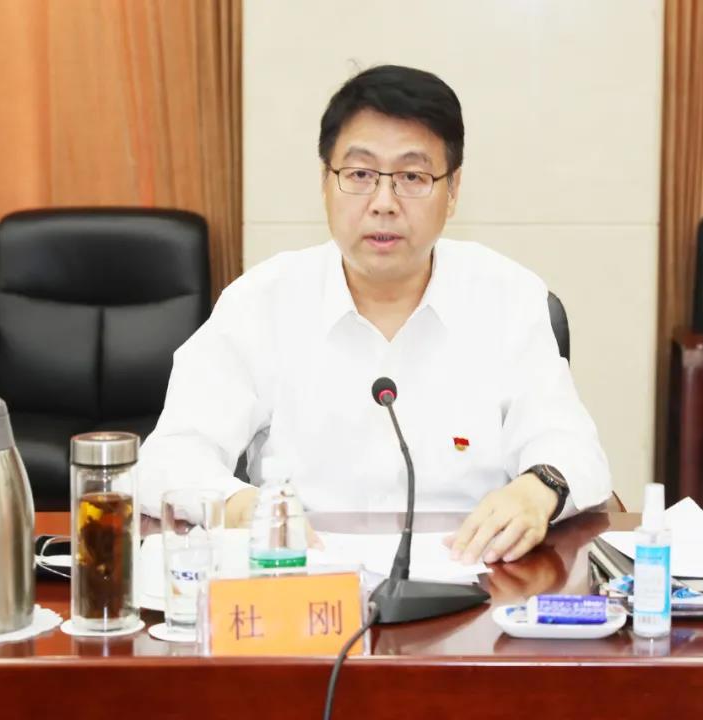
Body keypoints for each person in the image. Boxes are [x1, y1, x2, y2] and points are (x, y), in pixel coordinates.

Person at [138, 64, 610, 564]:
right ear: (326, 182)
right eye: (360, 175)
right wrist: (242, 507)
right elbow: (169, 457)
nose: (384, 203)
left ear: (453, 190)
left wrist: (538, 489)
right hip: (301, 583)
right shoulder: (259, 303)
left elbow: (572, 447)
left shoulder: (508, 298)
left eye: (413, 177)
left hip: (474, 581)